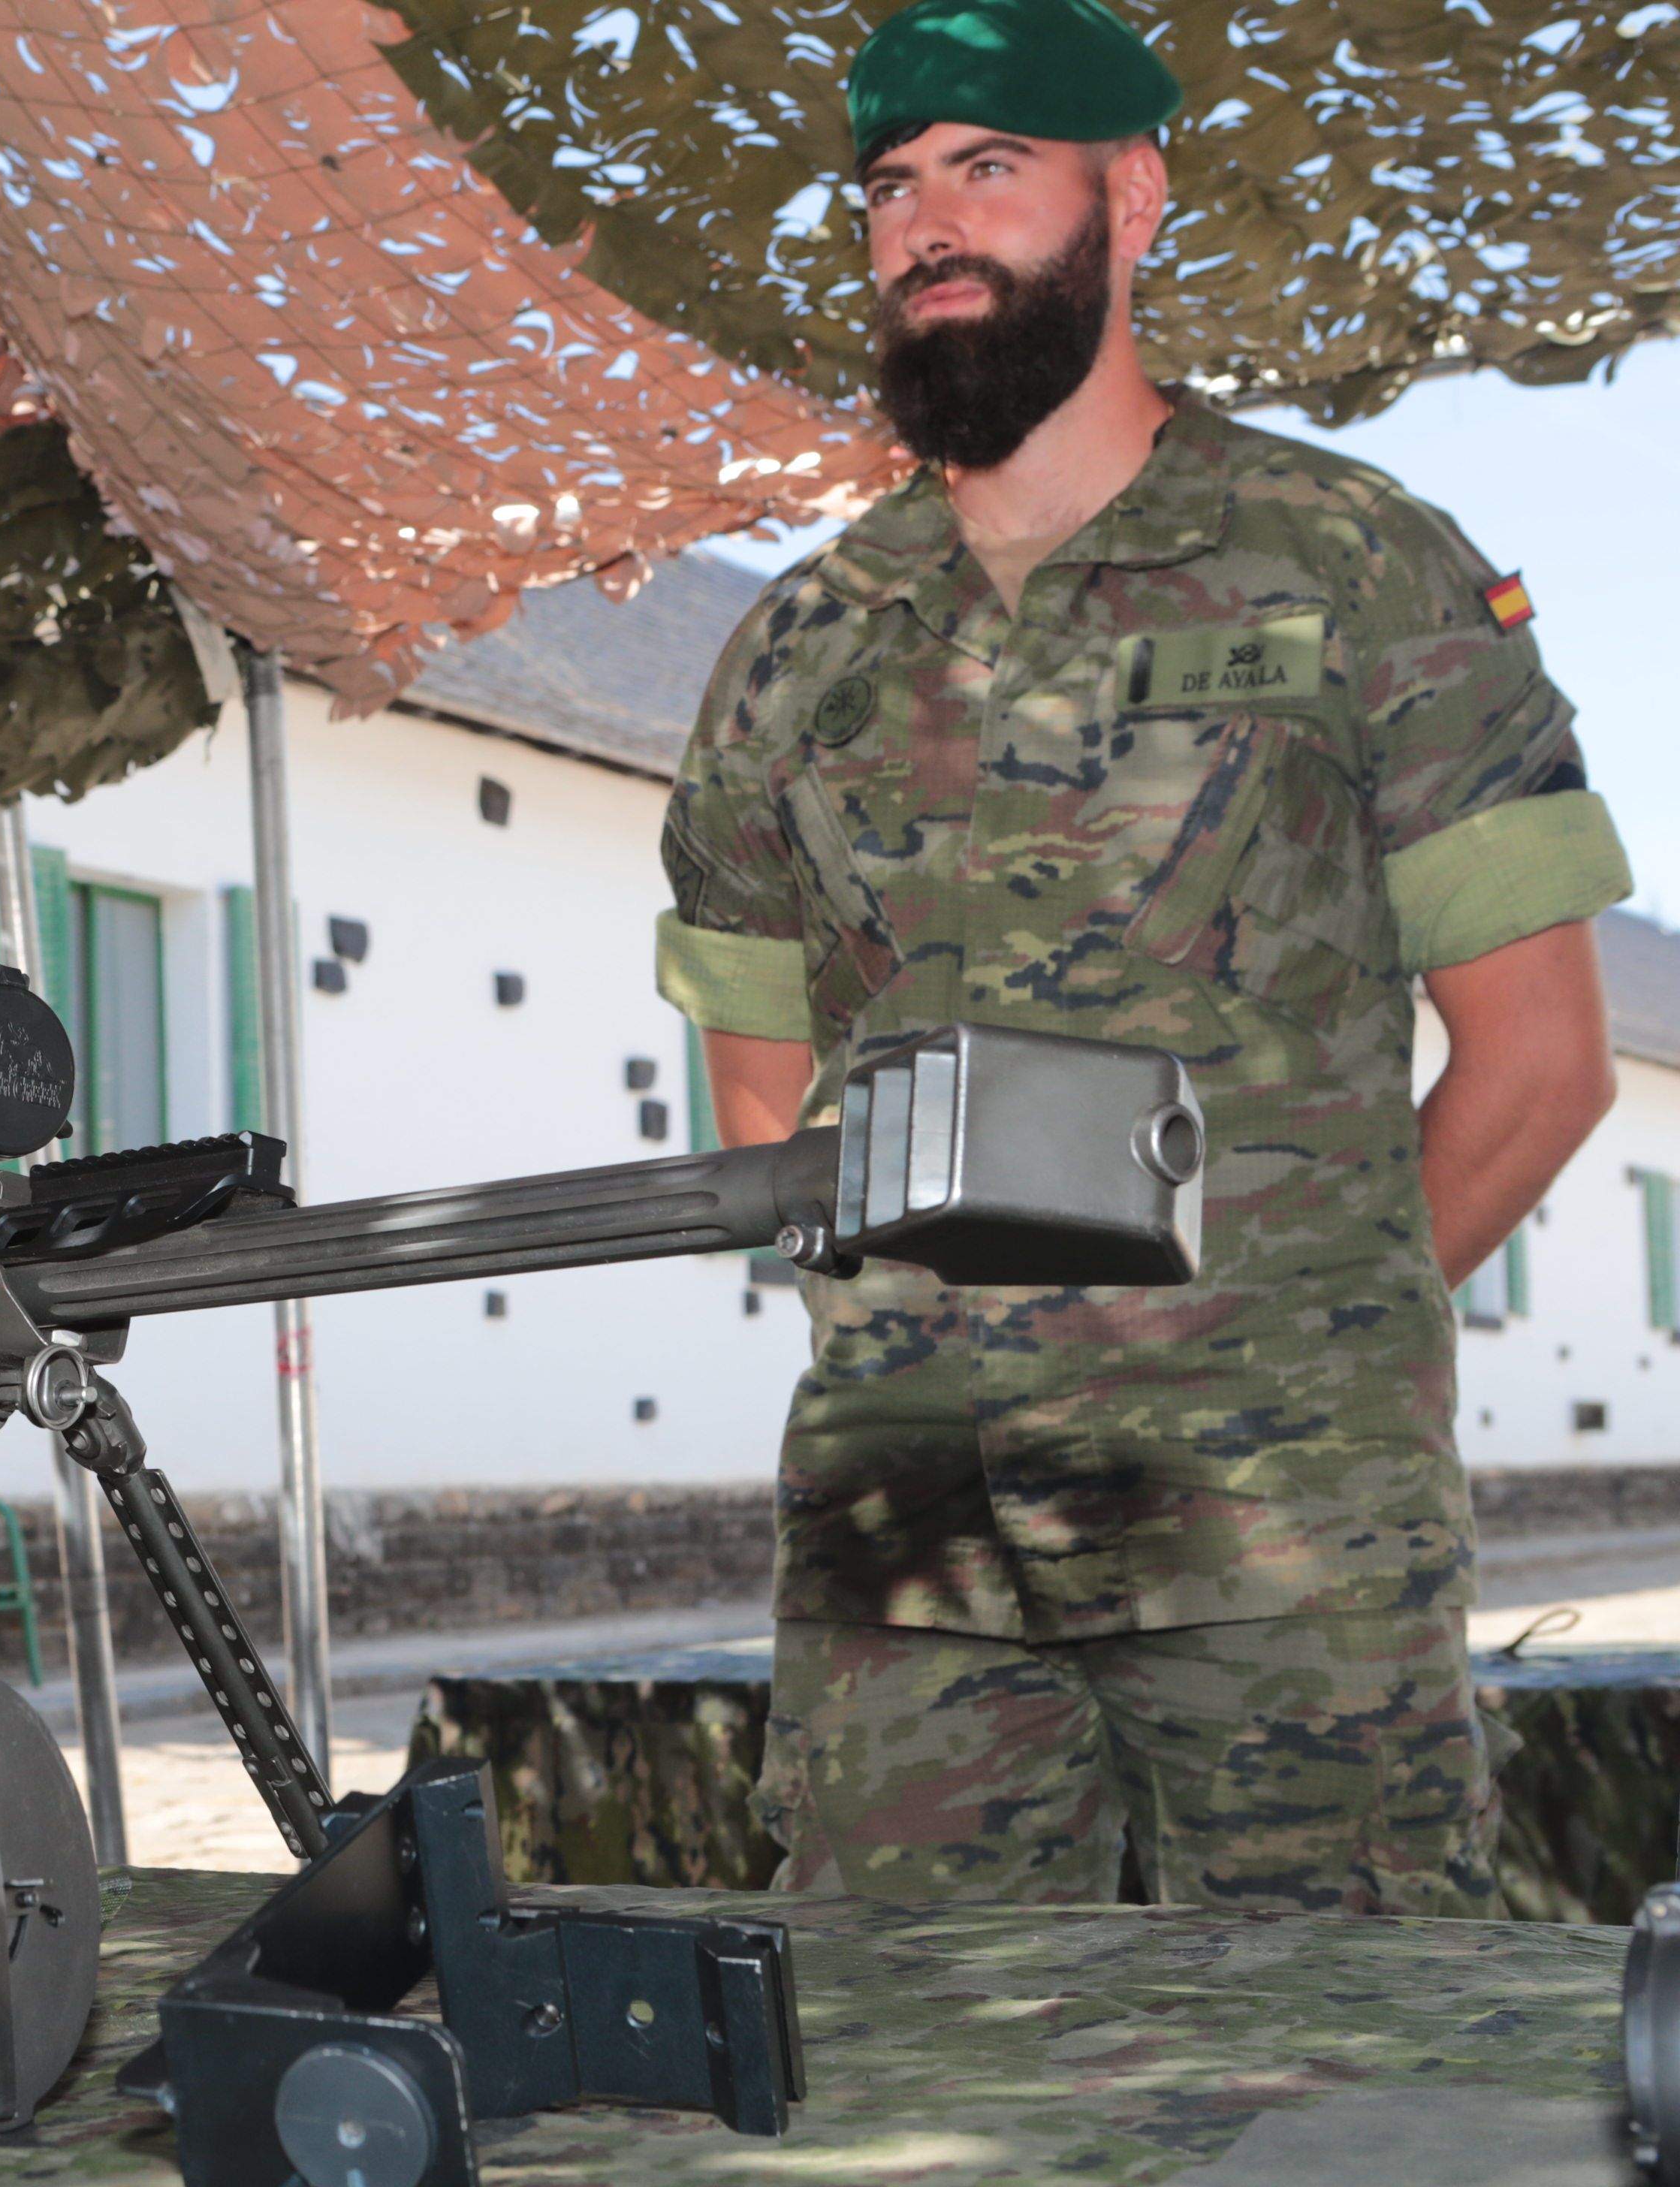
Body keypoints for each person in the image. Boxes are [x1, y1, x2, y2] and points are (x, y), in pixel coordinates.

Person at [654, 0, 1631, 1914]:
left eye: (990, 169)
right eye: (894, 187)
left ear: (1135, 195)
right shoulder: (796, 645)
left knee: (1334, 2068)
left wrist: (1273, 1336)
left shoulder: (1358, 565)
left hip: (1279, 1523)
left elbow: (1541, 1060)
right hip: (909, 1524)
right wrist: (936, 1339)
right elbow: (767, 1082)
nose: (928, 226)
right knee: (890, 2062)